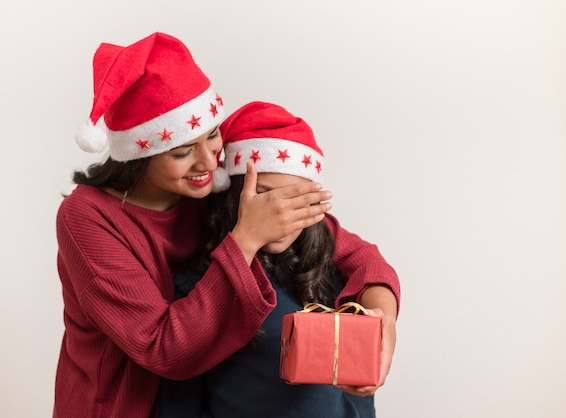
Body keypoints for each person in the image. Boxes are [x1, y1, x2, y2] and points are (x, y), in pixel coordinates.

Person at [54, 32, 400, 418]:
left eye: (213, 135)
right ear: (139, 154)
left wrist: (382, 323)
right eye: (183, 151)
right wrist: (246, 239)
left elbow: (356, 254)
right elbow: (162, 349)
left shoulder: (213, 190)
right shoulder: (87, 218)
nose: (208, 162)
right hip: (121, 407)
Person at [158, 101, 399, 418]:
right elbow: (180, 400)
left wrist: (385, 322)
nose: (281, 213)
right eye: (265, 195)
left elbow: (369, 260)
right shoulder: (199, 290)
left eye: (296, 199)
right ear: (233, 193)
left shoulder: (334, 270)